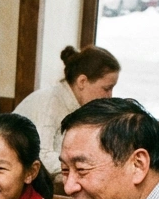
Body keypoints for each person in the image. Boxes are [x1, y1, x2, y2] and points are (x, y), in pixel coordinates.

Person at [13, 45, 121, 177]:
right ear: (82, 82)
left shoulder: (80, 107)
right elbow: (42, 157)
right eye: (107, 88)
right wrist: (87, 167)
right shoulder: (49, 102)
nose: (110, 96)